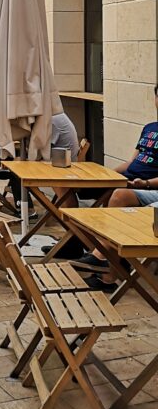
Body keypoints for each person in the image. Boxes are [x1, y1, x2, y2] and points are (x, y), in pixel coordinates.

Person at [73, 85, 158, 291]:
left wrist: (145, 183)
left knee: (118, 196)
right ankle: (103, 257)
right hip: (130, 181)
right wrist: (108, 174)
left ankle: (103, 264)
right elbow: (131, 162)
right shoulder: (149, 127)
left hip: (148, 186)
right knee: (80, 190)